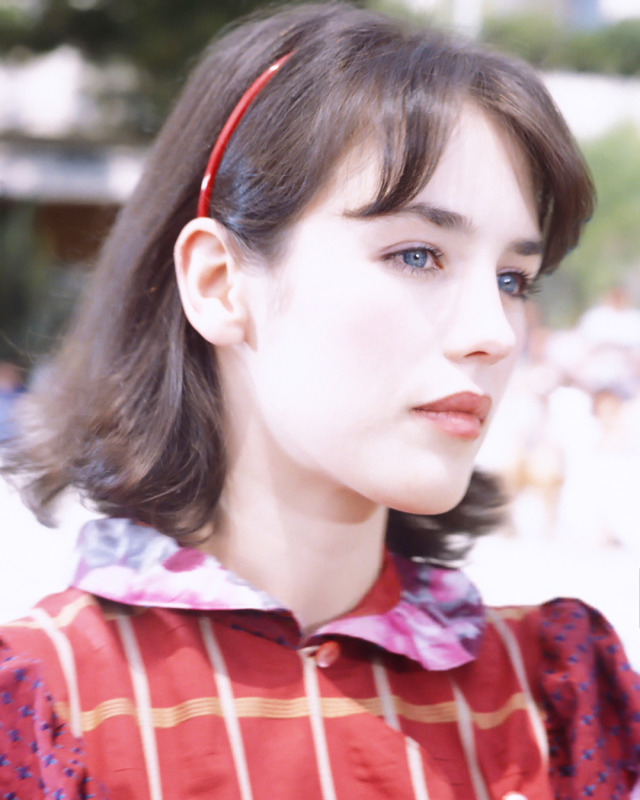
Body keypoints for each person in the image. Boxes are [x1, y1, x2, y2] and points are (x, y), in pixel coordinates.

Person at [1, 3, 638, 798]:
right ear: (219, 283)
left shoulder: (551, 701)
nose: (496, 332)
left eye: (512, 278)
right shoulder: (49, 704)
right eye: (417, 253)